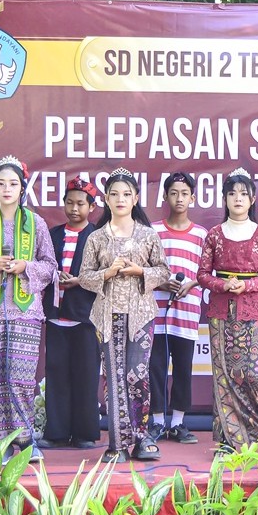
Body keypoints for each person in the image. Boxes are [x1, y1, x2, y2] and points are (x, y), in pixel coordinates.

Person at [0, 156, 57, 464]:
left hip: (26, 312)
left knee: (21, 377)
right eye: (0, 183)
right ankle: (1, 443)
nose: (6, 189)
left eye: (13, 184)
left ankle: (26, 440)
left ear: (22, 188)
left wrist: (24, 266)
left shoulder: (36, 223)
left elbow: (50, 267)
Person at [78, 167, 170, 463]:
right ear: (106, 199)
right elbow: (84, 277)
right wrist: (107, 273)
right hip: (107, 316)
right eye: (114, 194)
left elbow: (164, 271)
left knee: (136, 375)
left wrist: (140, 271)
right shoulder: (96, 237)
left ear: (135, 198)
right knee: (114, 378)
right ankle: (117, 444)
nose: (120, 199)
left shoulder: (148, 235)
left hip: (140, 315)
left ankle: (142, 438)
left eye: (126, 194)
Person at [196, 168, 258, 456]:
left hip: (253, 308)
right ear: (224, 199)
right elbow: (202, 275)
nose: (238, 198)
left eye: (243, 194)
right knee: (224, 374)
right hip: (220, 310)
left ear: (253, 199)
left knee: (253, 373)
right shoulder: (214, 235)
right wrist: (223, 284)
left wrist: (246, 286)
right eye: (232, 193)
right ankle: (228, 439)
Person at [39, 177, 102, 450]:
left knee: (86, 375)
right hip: (56, 315)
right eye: (69, 203)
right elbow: (41, 266)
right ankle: (56, 432)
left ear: (92, 207)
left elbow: (105, 275)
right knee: (56, 374)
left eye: (80, 204)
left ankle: (84, 433)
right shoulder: (53, 234)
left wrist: (79, 280)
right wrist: (54, 276)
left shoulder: (98, 237)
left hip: (85, 317)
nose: (74, 208)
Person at [149, 173, 207, 444]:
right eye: (173, 193)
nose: (179, 198)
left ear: (192, 198)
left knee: (183, 368)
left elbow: (206, 273)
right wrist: (162, 283)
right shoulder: (153, 231)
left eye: (184, 193)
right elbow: (145, 269)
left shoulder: (201, 235)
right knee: (156, 367)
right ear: (165, 196)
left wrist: (191, 284)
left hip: (187, 312)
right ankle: (157, 421)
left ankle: (178, 422)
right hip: (156, 311)